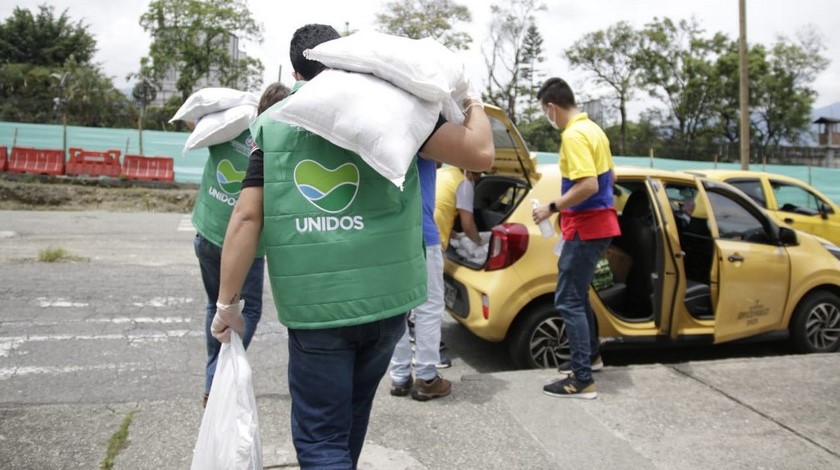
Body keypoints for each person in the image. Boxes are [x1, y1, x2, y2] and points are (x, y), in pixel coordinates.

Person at [212, 24, 494, 469]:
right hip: (388, 305)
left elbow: (246, 217)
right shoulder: (396, 109)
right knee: (353, 417)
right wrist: (471, 99)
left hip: (317, 310)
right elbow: (481, 152)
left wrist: (227, 304)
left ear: (295, 71)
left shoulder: (275, 122)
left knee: (321, 438)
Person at [190, 81, 289, 406]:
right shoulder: (279, 142)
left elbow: (195, 126)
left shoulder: (229, 127)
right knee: (249, 308)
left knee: (216, 304)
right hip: (245, 247)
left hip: (207, 232)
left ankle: (213, 380)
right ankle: (220, 377)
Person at [532, 77, 620, 400]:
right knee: (577, 294)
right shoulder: (594, 130)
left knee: (567, 298)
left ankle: (582, 379)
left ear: (552, 107)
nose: (548, 117)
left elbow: (588, 185)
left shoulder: (573, 135)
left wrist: (551, 207)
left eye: (545, 111)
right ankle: (591, 358)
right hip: (598, 225)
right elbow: (611, 177)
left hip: (586, 228)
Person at [389, 157, 451, 401]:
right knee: (429, 307)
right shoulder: (423, 136)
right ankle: (426, 378)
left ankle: (399, 376)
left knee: (397, 308)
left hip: (390, 234)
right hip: (422, 232)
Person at [435, 167, 484, 248]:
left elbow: (438, 210)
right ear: (468, 172)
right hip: (432, 240)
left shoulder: (440, 172)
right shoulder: (464, 184)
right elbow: (468, 225)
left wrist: (456, 236)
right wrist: (480, 243)